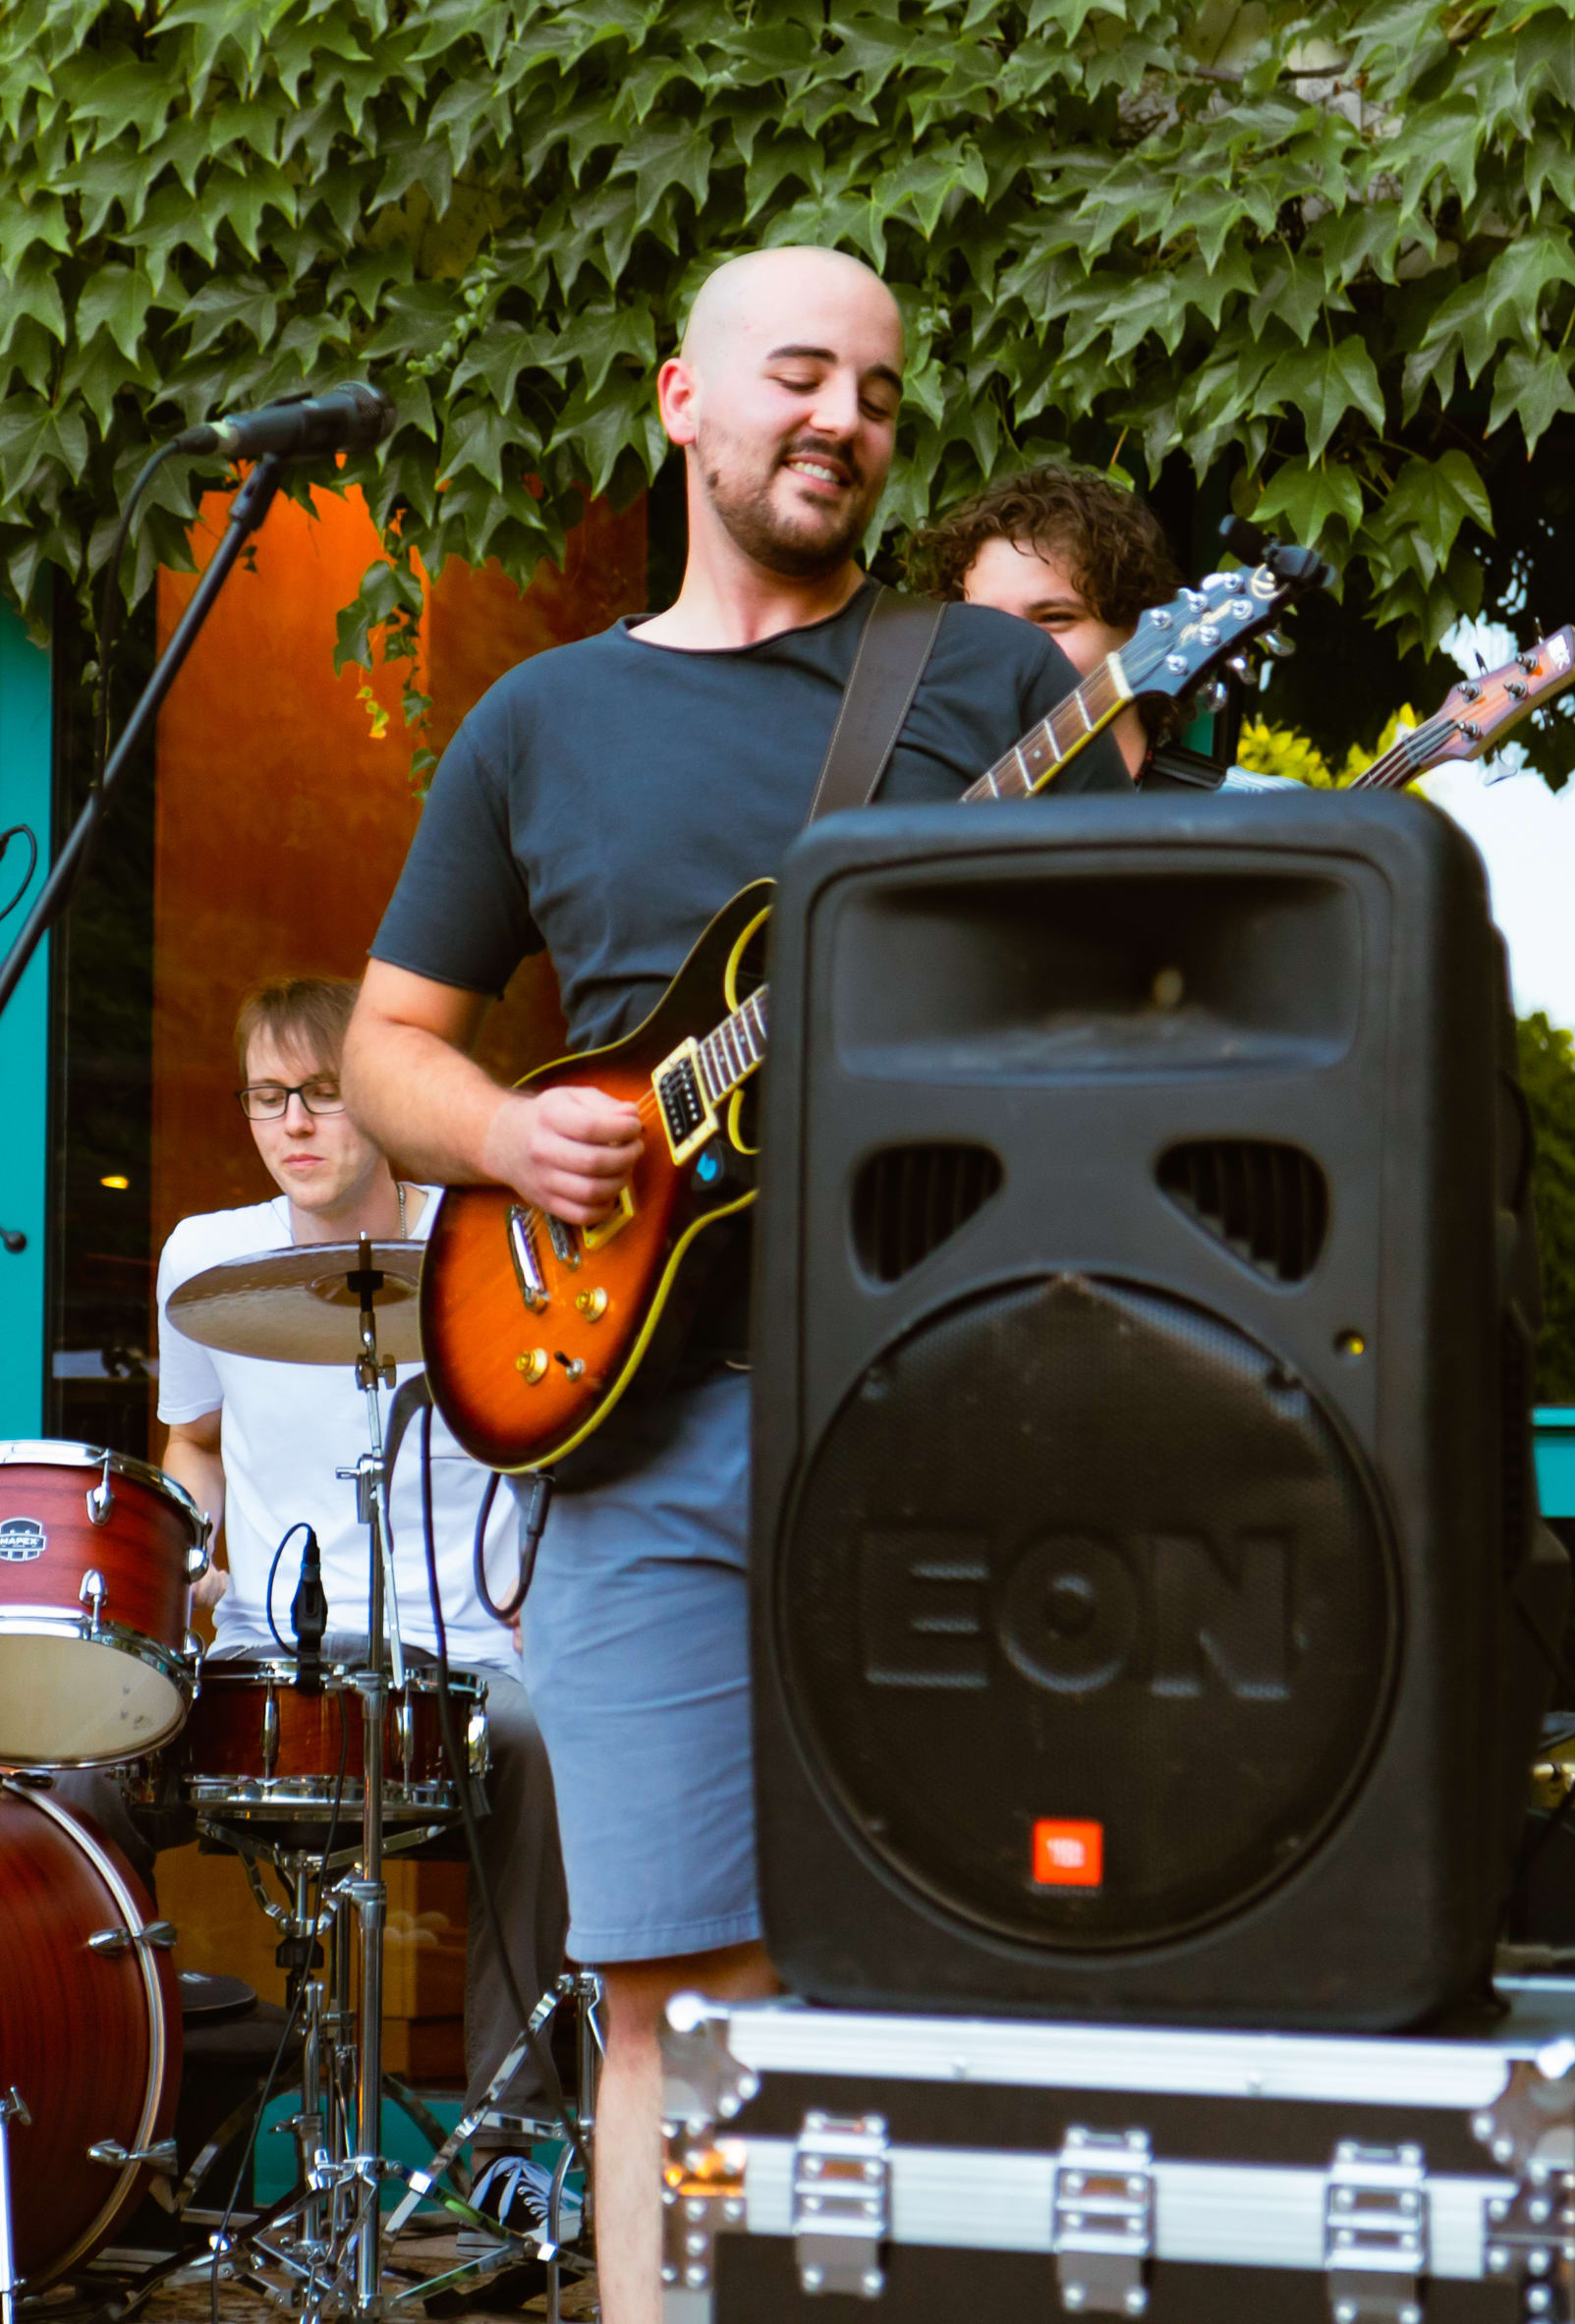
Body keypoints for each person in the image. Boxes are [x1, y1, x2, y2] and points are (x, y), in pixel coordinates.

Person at [344, 247, 1129, 2324]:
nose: (842, 421)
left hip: (949, 1405)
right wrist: (514, 1138)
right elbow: (388, 1053)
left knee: (978, 1971)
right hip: (644, 1438)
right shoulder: (545, 723)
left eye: (876, 393)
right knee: (676, 2004)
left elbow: (1143, 1003)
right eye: (801, 376)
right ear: (681, 397)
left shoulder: (988, 686)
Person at [153, 976, 576, 2248]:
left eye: (324, 1094)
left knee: (545, 1743)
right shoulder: (204, 1254)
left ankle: (511, 2138)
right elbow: (192, 1439)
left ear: (381, 1104)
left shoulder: (482, 1246)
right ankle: (125, 2115)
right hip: (266, 1649)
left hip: (459, 1654)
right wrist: (188, 1553)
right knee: (82, 1772)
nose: (294, 1123)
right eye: (268, 1097)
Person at [902, 460, 1182, 773]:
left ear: (1137, 631)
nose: (1015, 650)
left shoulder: (1236, 814)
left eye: (1054, 618)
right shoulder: (923, 804)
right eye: (982, 622)